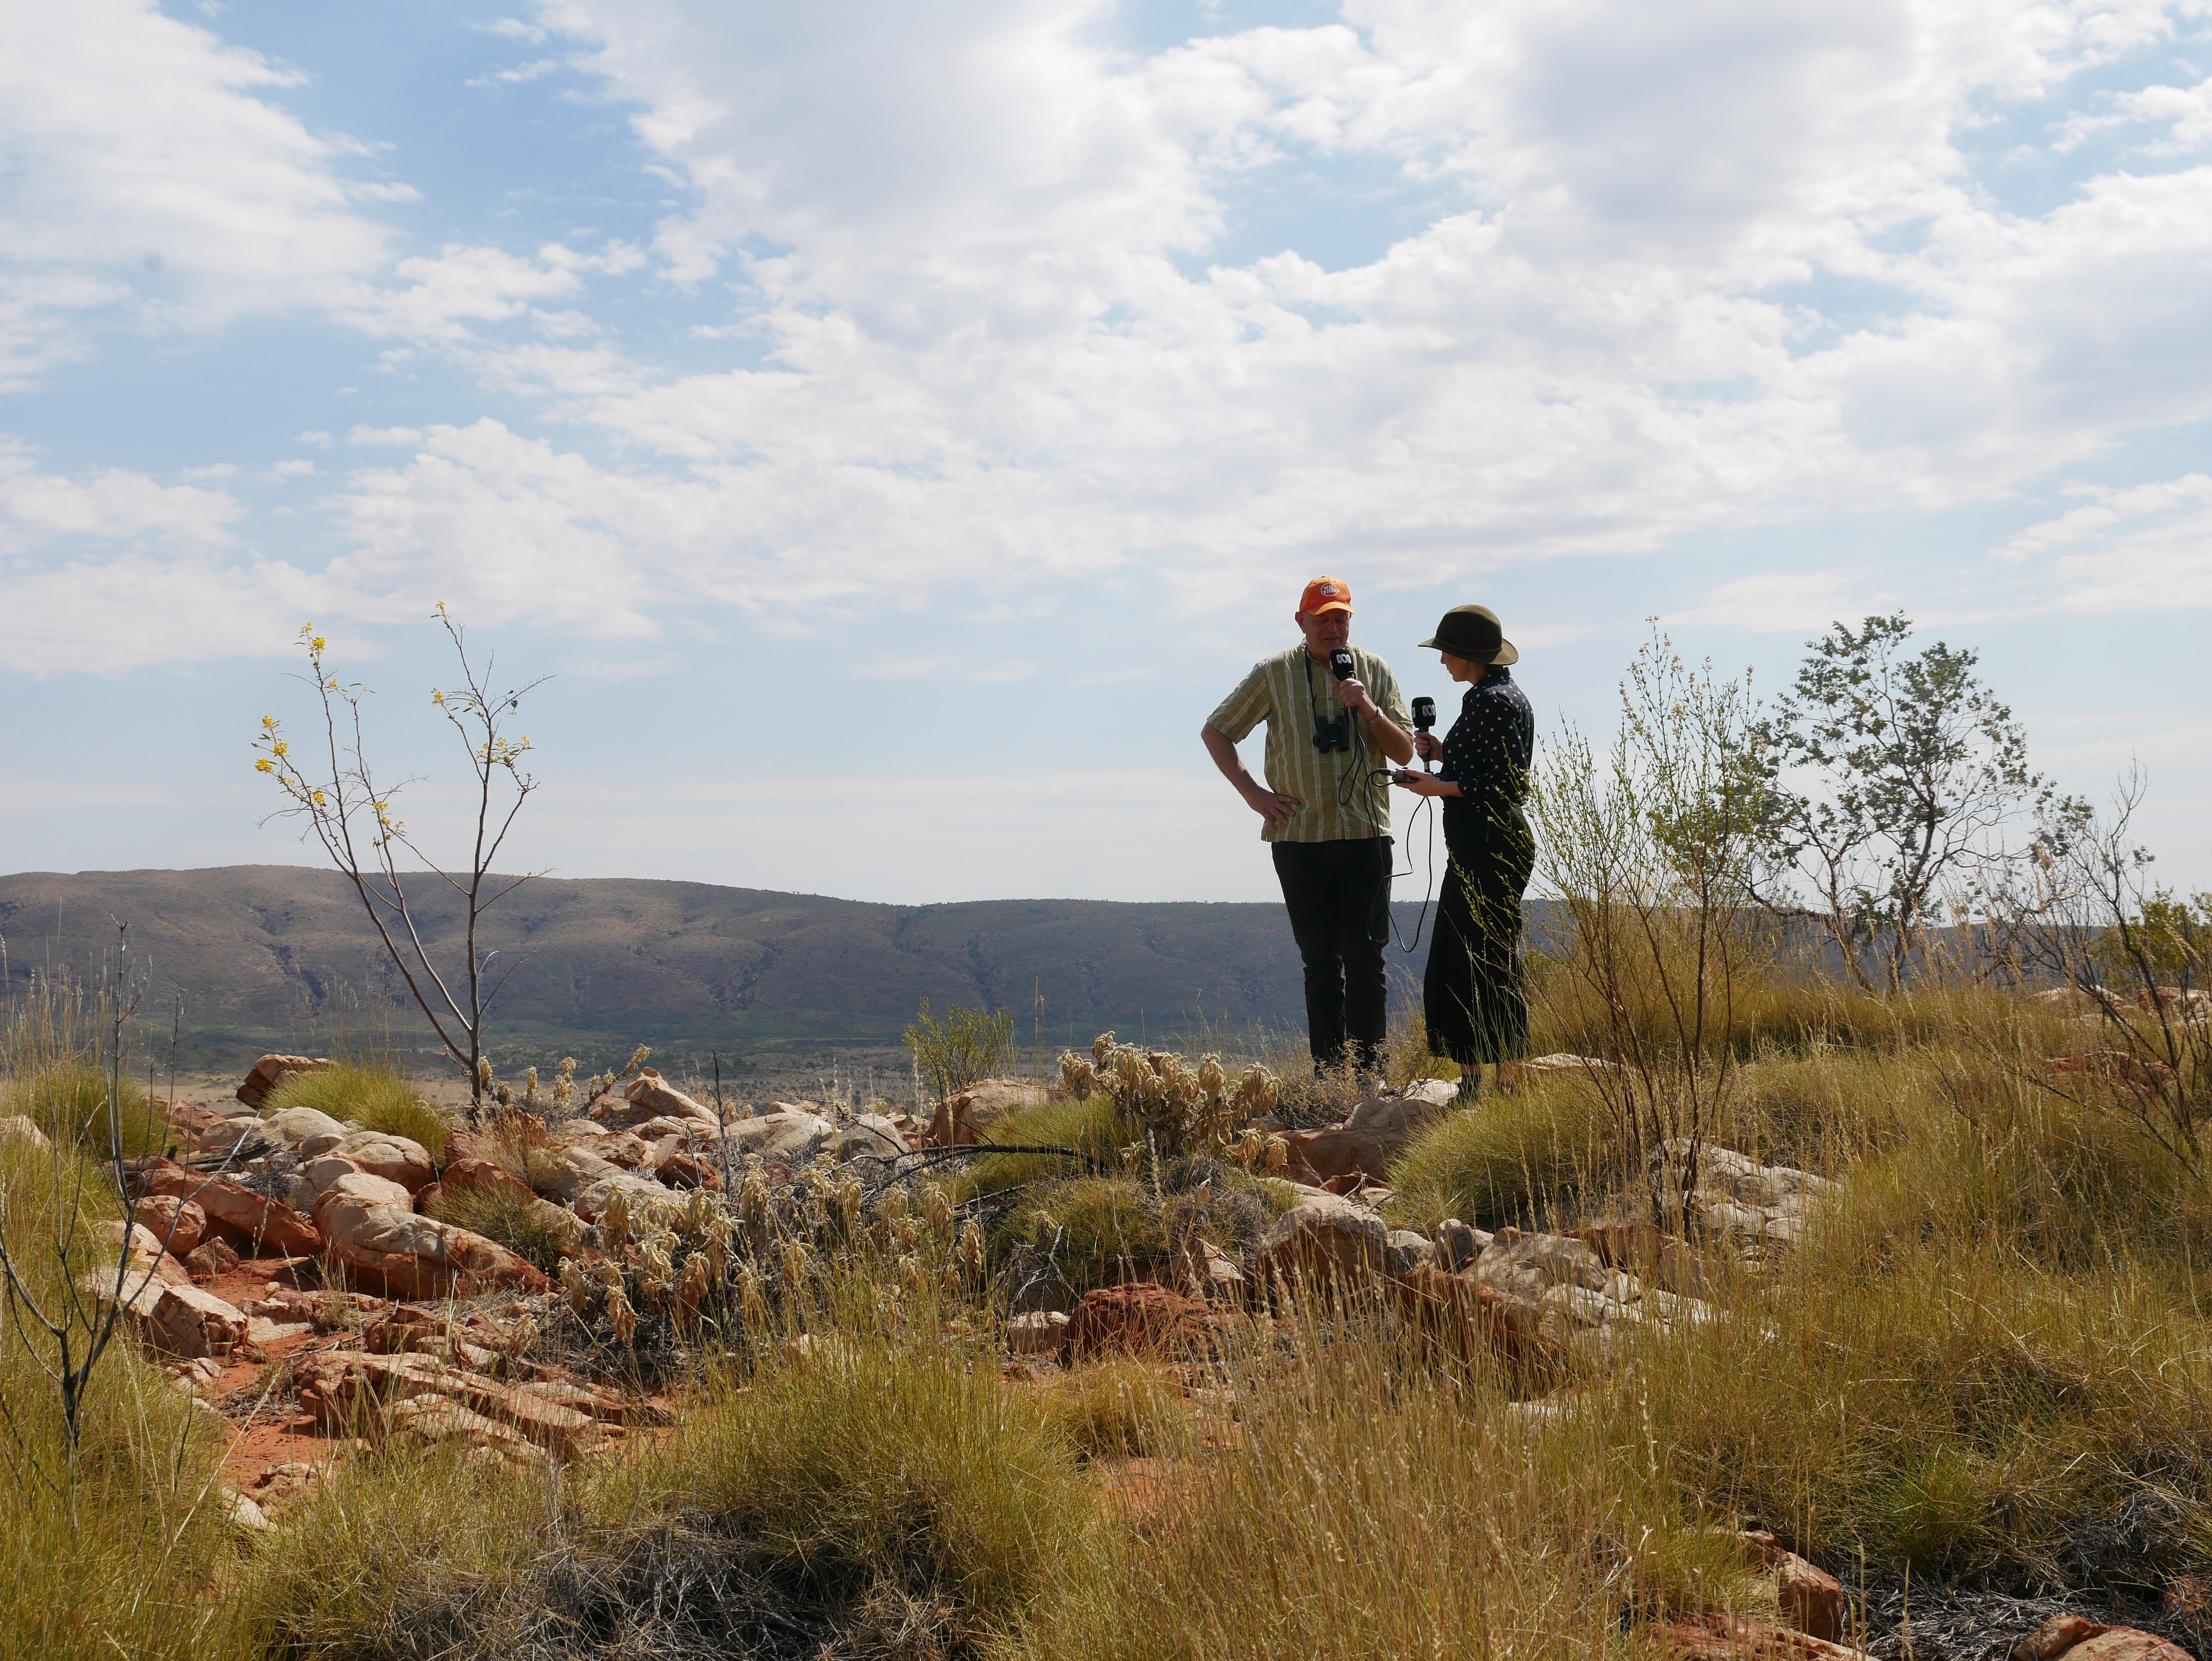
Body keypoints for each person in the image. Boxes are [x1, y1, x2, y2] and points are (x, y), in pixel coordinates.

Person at [1202, 577, 1415, 1080]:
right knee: (1320, 962)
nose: (1333, 628)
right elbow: (1217, 730)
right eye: (1322, 619)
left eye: (1341, 618)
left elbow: (1405, 751)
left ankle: (1369, 1074)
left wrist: (1366, 708)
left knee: (1366, 960)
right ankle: (1328, 1075)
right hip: (1299, 840)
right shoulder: (1273, 673)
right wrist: (1251, 793)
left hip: (1364, 834)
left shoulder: (1374, 671)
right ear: (1301, 623)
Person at [1391, 605, 1534, 1100]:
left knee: (1488, 963)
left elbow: (1504, 784)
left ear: (1467, 655)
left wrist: (1438, 787)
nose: (1442, 663)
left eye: (1446, 653)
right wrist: (1444, 757)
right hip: (1481, 845)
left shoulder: (1495, 701)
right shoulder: (1489, 698)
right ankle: (1480, 1083)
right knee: (1462, 960)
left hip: (1490, 846)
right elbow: (1487, 766)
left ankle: (1499, 1086)